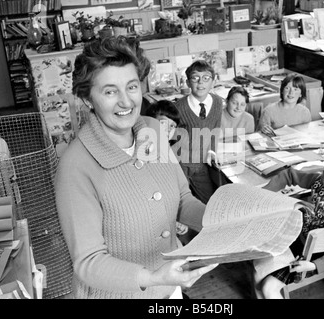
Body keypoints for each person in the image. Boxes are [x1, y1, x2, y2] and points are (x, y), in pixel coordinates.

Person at [55, 37, 217, 299]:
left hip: (169, 286)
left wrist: (220, 222)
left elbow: (182, 201)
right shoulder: (76, 166)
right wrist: (153, 278)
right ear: (87, 98)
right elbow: (88, 262)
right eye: (110, 91)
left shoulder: (152, 130)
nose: (126, 101)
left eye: (131, 87)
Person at [253, 152, 324, 299]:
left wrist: (314, 265)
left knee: (268, 287)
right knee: (257, 273)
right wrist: (262, 194)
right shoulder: (319, 182)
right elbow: (289, 174)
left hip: (314, 259)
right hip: (297, 239)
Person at [173, 60, 223, 204]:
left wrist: (212, 151)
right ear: (188, 83)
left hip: (201, 165)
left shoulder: (218, 102)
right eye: (195, 78)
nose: (200, 83)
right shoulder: (178, 107)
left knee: (208, 204)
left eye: (206, 78)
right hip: (180, 164)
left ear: (213, 82)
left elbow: (215, 129)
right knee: (179, 202)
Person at [145, 99, 189, 237]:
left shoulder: (168, 155)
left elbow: (180, 195)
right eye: (163, 123)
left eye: (172, 126)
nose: (168, 130)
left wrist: (176, 220)